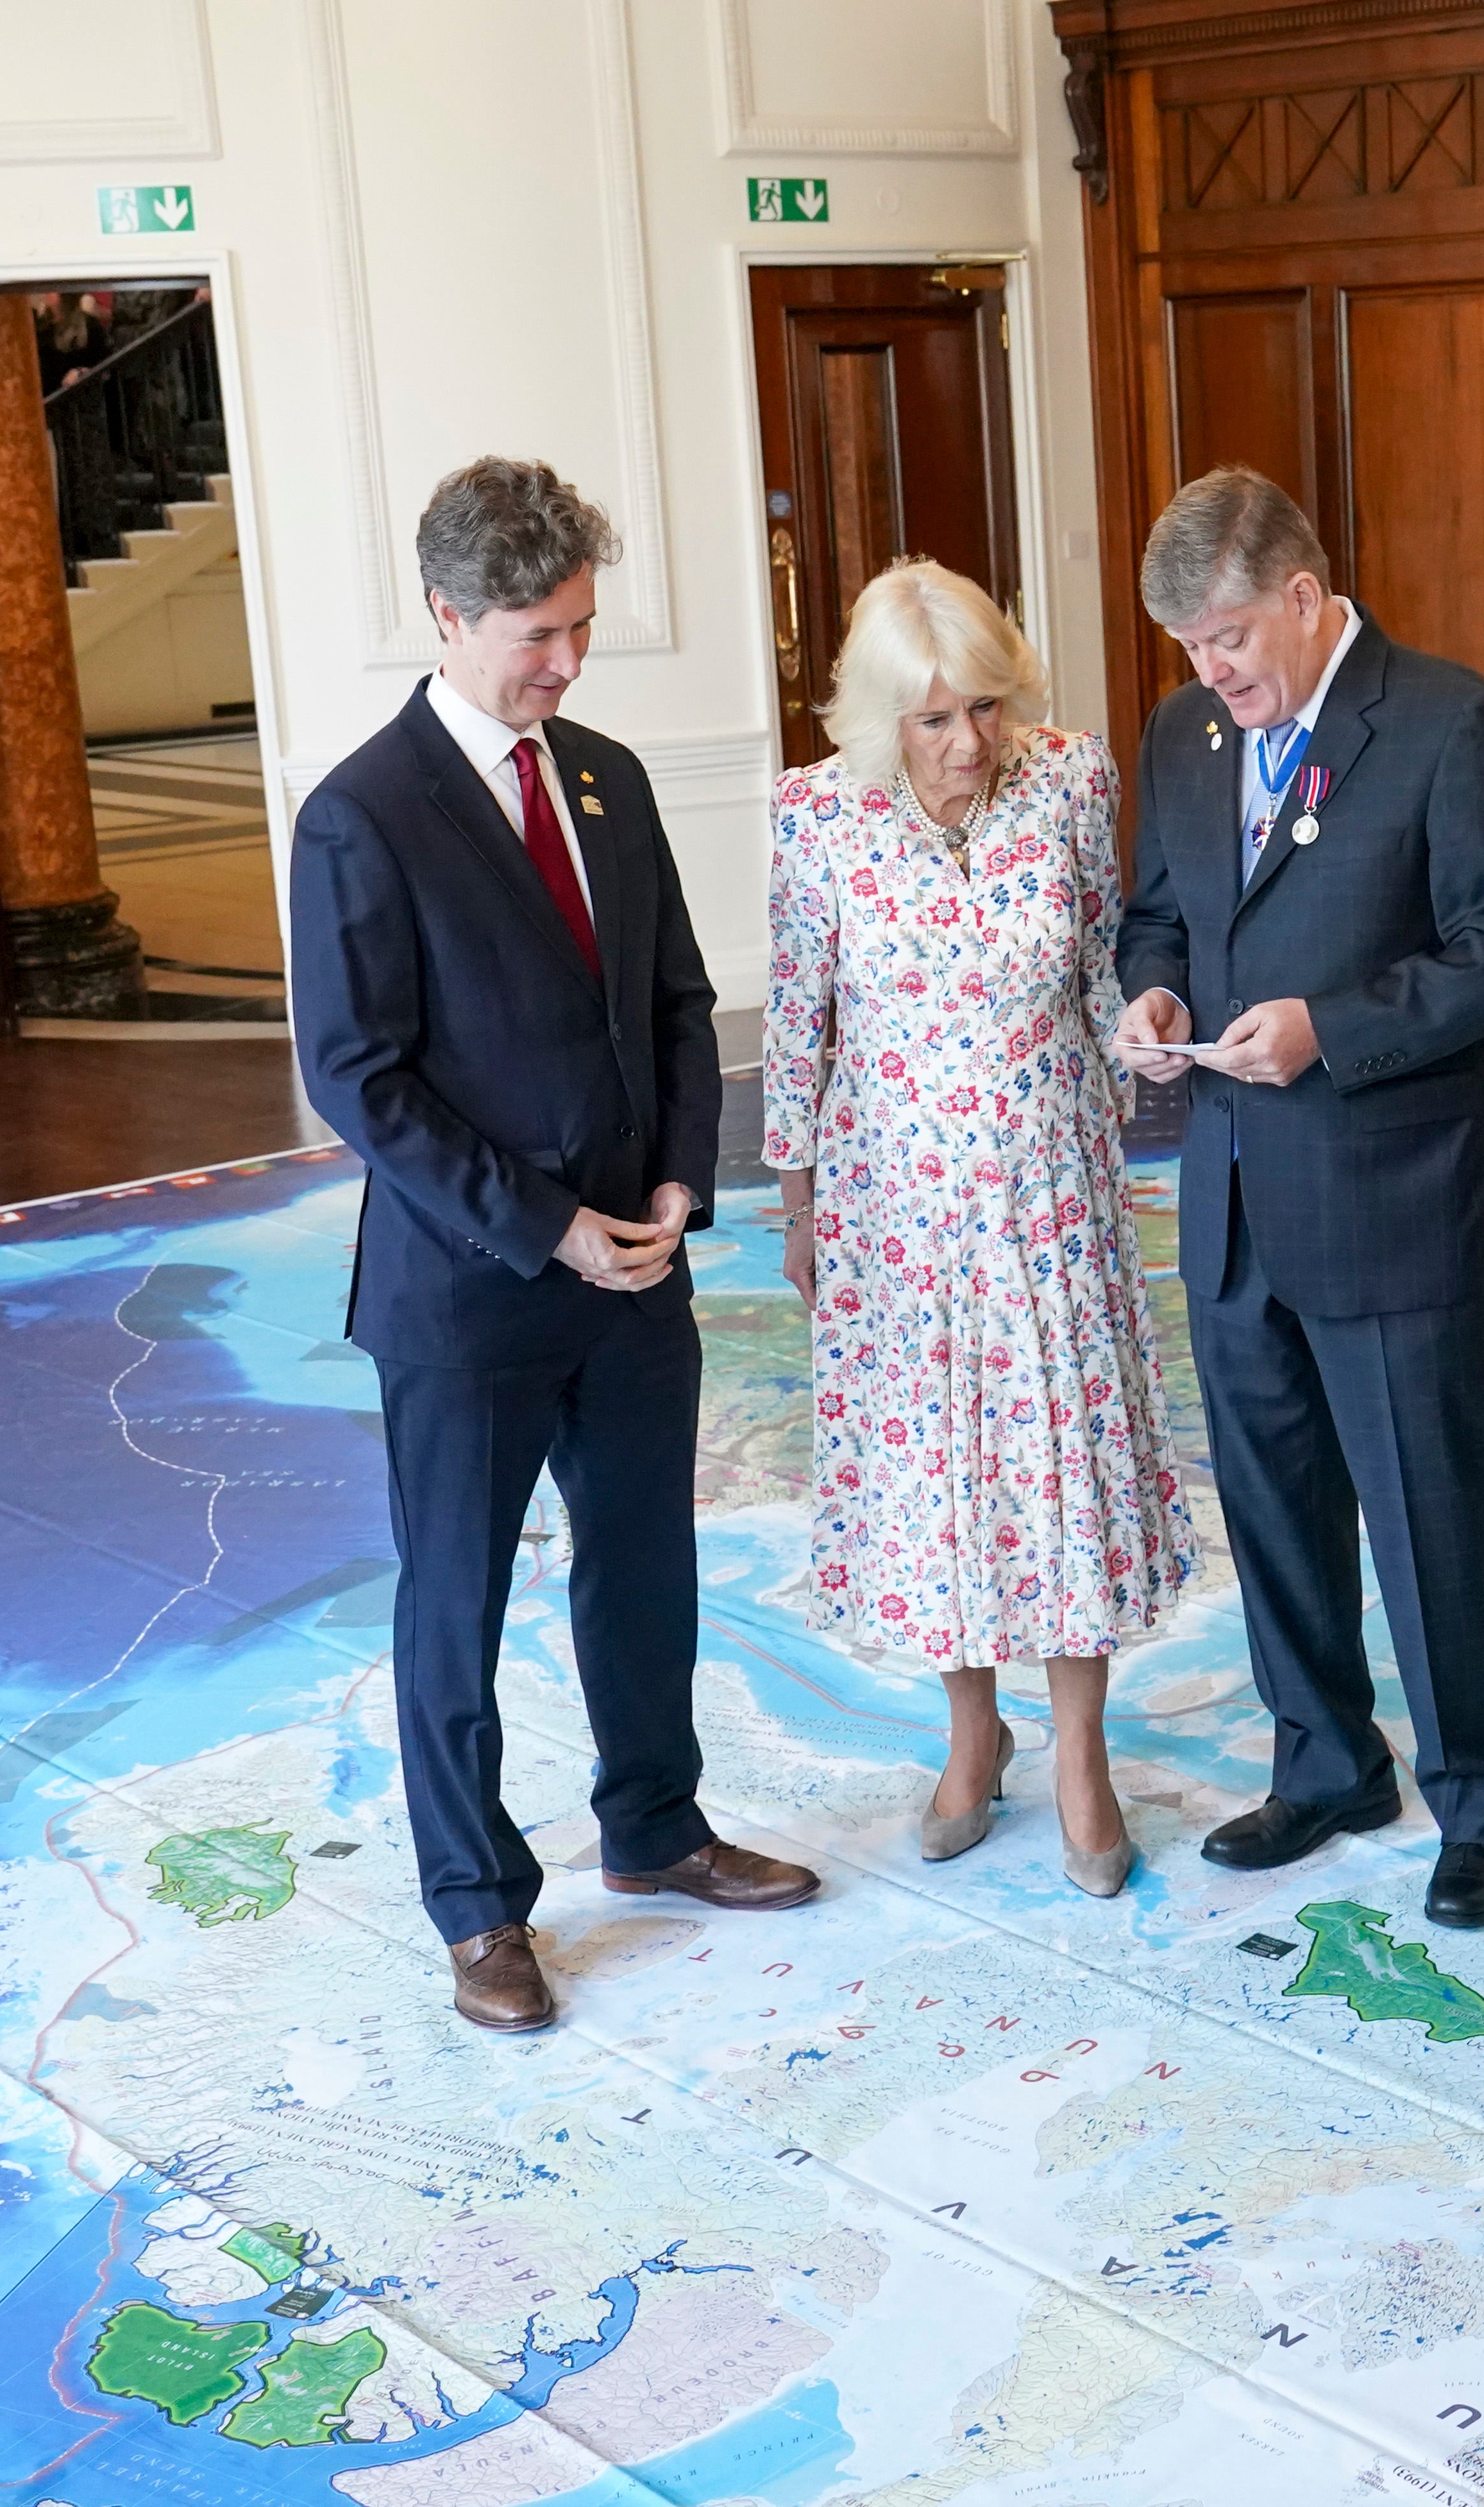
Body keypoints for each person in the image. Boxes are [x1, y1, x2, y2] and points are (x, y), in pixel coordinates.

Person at [293, 457, 816, 2035]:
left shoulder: (605, 776)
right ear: (447, 617)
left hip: (636, 1277)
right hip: (467, 1293)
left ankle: (655, 1826)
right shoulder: (360, 819)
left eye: (580, 628)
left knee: (647, 1564)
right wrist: (545, 1226)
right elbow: (356, 1075)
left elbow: (670, 1001)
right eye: (537, 634)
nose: (567, 665)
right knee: (450, 1601)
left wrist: (672, 1189)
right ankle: (478, 1908)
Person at [1108, 467, 1484, 1930]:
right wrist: (1153, 987)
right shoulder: (1187, 735)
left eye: (1231, 635)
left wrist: (1332, 1026)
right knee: (1274, 1506)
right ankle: (1325, 1759)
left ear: (1304, 597)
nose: (1211, 670)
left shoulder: (1446, 721)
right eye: (1188, 647)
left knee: (1432, 1512)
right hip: (1233, 1196)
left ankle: (1481, 1797)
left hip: (1396, 1195)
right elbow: (1162, 910)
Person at [759, 559, 1196, 1899]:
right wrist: (798, 1196)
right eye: (936, 719)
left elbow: (1098, 959)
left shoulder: (1067, 776)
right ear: (879, 718)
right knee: (935, 1478)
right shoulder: (812, 817)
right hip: (895, 1207)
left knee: (1063, 1473)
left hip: (1050, 1191)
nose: (971, 743)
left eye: (987, 708)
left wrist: (1137, 1045)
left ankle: (1079, 1752)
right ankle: (970, 1734)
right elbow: (798, 1015)